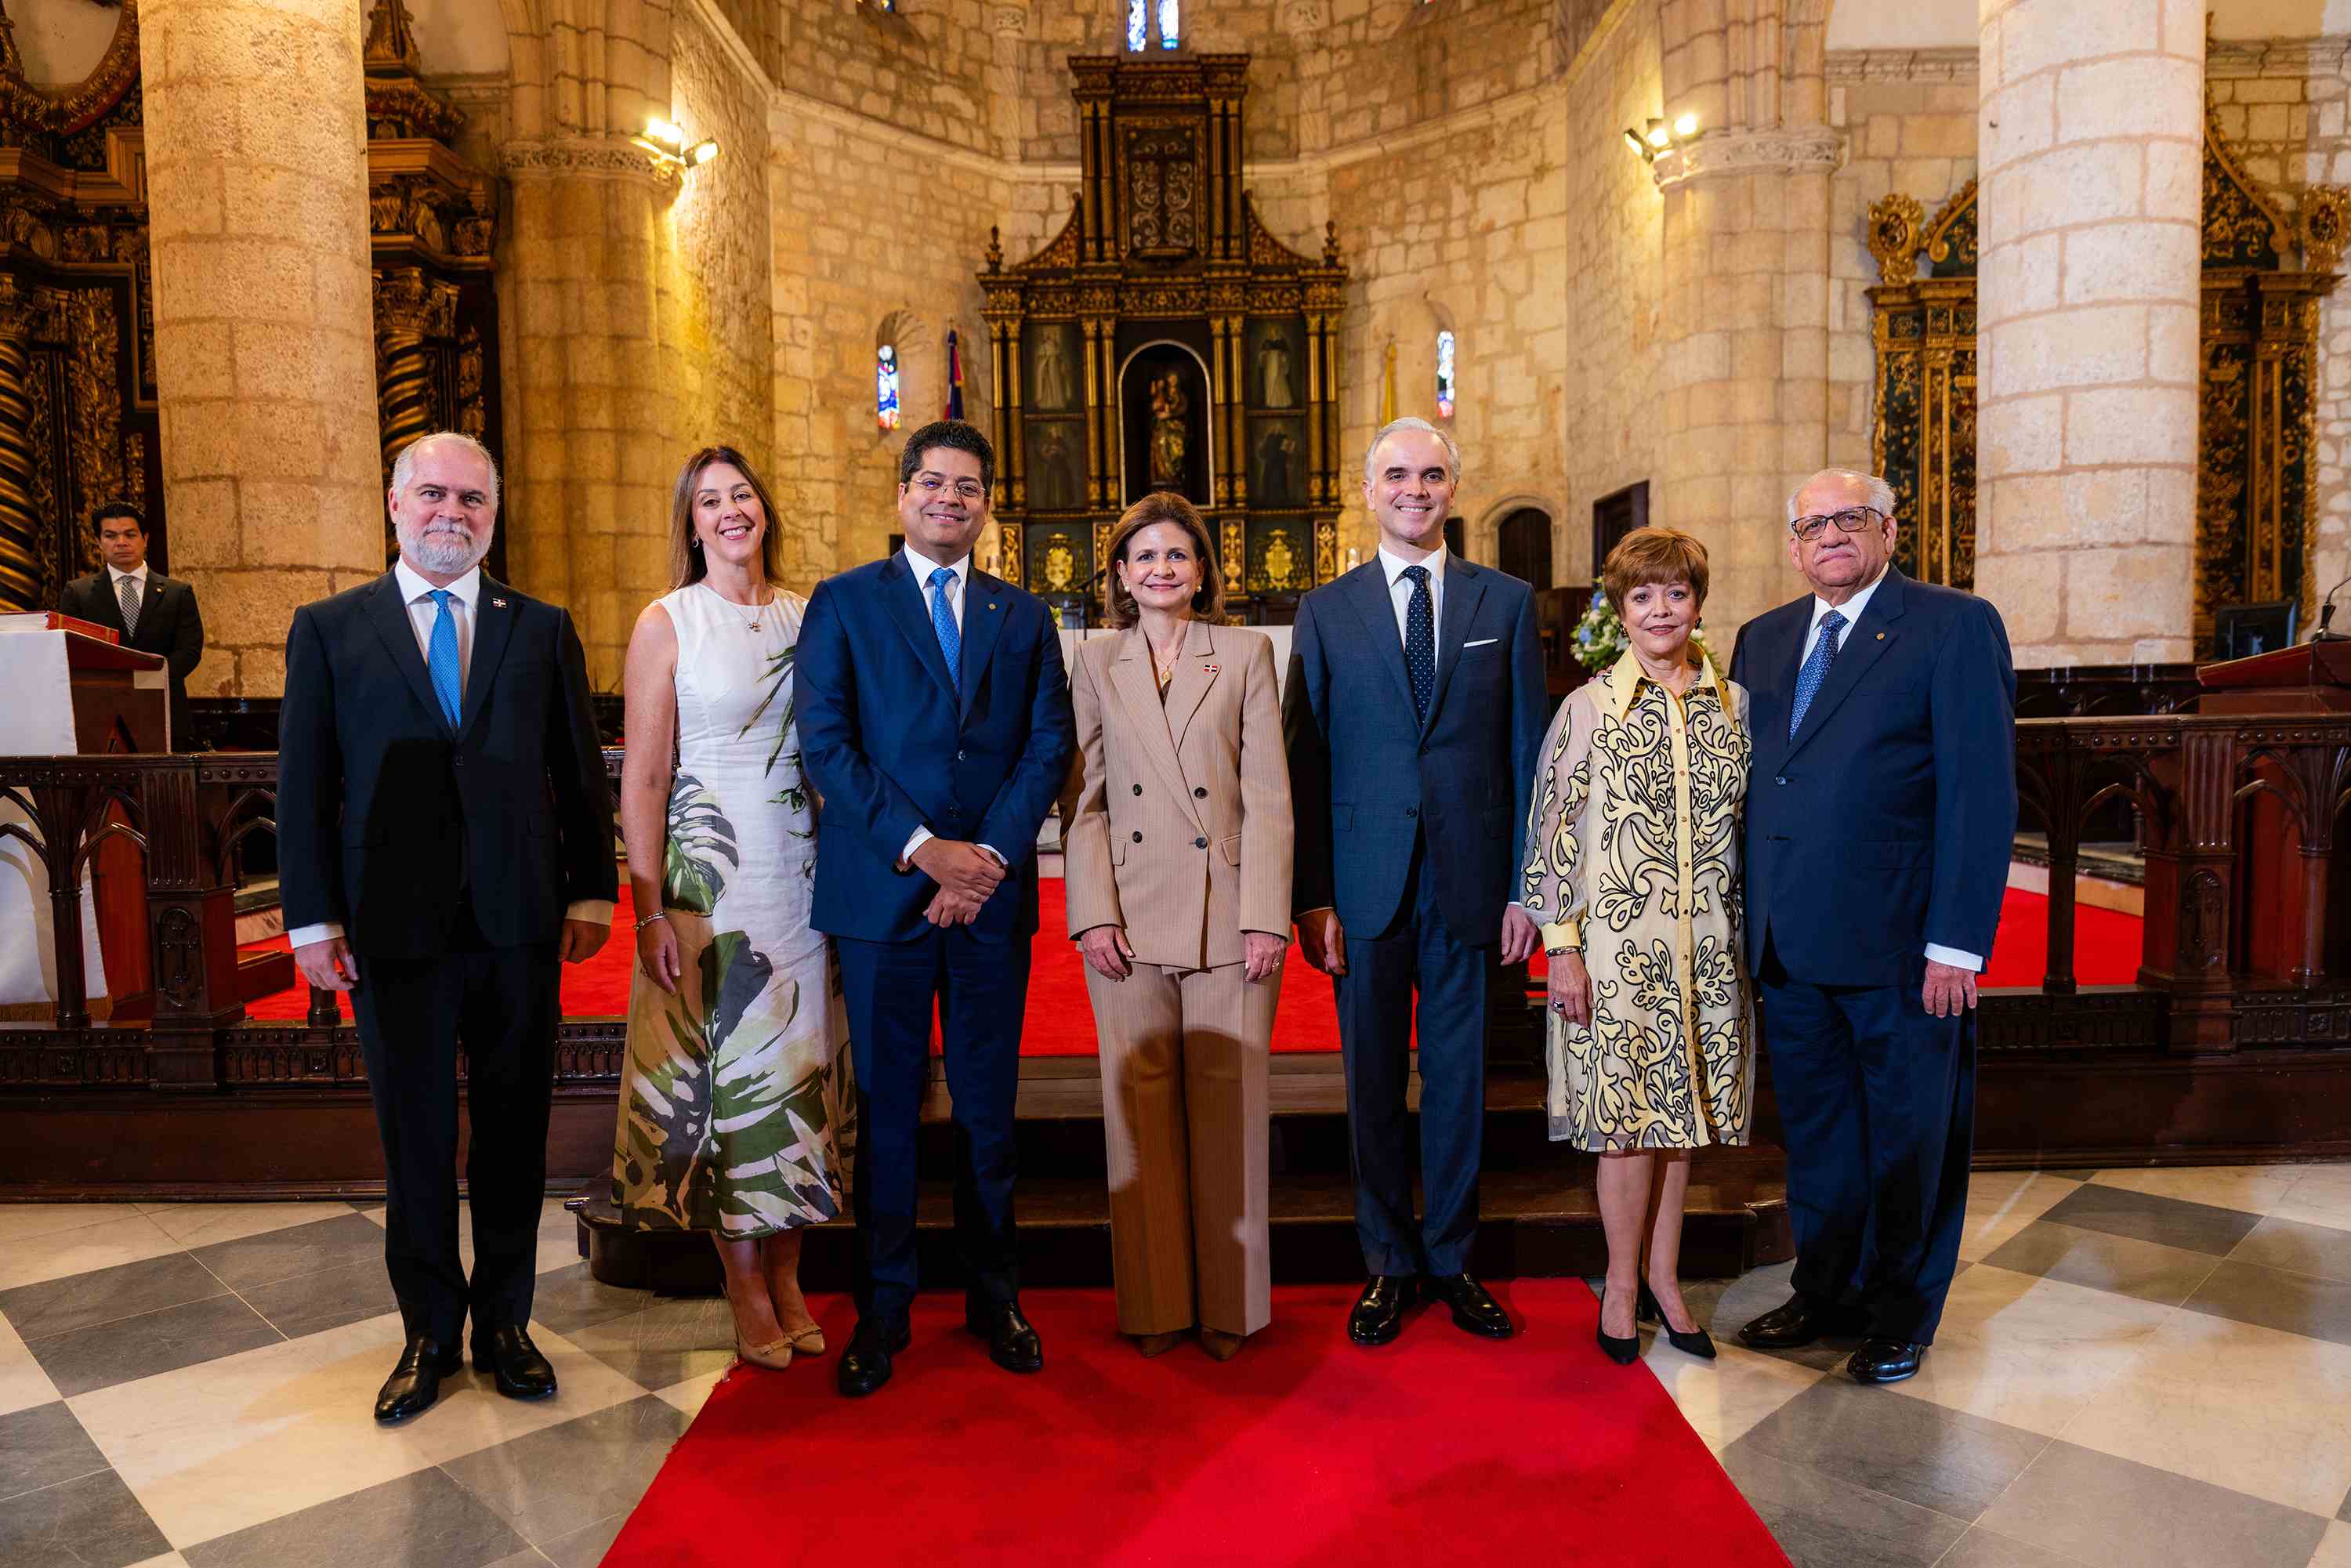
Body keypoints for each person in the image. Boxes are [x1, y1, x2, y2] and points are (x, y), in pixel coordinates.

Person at [277, 431, 615, 1422]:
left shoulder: (540, 627)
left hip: (517, 921)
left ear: (493, 514)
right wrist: (308, 920)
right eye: (433, 495)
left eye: (472, 500)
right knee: (415, 1138)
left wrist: (591, 890)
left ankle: (507, 1323)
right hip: (393, 924)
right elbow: (304, 789)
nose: (451, 515)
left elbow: (578, 773)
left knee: (515, 1134)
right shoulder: (332, 629)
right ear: (394, 503)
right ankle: (428, 1330)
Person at [795, 418, 1074, 1397]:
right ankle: (884, 1305)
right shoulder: (842, 605)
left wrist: (987, 857)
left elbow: (1048, 744)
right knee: (890, 1110)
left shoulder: (1023, 615)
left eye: (968, 487)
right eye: (933, 484)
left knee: (989, 1111)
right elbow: (828, 747)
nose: (949, 499)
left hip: (989, 902)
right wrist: (928, 853)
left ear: (986, 503)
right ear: (902, 496)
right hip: (886, 896)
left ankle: (995, 1294)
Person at [1731, 467, 2016, 1387]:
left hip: (1902, 945)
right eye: (1810, 524)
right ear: (1793, 543)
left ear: (1889, 530)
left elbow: (1979, 794)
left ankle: (1901, 1314)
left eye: (1849, 519)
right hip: (1790, 940)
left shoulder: (1951, 624)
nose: (1829, 537)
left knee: (1907, 1139)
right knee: (1819, 1136)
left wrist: (1957, 942)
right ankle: (1825, 1289)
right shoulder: (1764, 639)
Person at [1284, 415, 1548, 1346]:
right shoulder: (1325, 609)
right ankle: (1388, 1260)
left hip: (1474, 884)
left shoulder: (1506, 603)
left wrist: (1529, 887)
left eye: (1432, 474)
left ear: (1452, 488)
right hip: (1364, 887)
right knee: (1370, 1082)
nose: (1415, 489)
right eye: (1397, 474)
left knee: (1460, 1080)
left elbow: (1529, 759)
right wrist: (1312, 897)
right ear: (1369, 490)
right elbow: (1304, 762)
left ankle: (1454, 1255)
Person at [610, 446, 852, 1373]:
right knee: (724, 1090)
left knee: (796, 1077)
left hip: (801, 877)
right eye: (709, 501)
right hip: (709, 887)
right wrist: (646, 905)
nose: (729, 512)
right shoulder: (669, 621)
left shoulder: (809, 614)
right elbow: (644, 772)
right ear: (691, 521)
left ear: (765, 509)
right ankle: (743, 1285)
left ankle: (788, 1274)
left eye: (741, 494)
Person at [1065, 494, 1291, 1361]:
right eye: (1145, 557)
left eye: (1179, 556)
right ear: (1121, 575)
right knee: (1140, 1114)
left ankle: (1232, 1310)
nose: (1162, 570)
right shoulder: (1094, 661)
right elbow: (1080, 803)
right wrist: (1090, 915)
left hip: (1230, 916)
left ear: (1203, 572)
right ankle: (1157, 1307)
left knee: (1229, 1110)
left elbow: (1270, 797)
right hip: (1123, 915)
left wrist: (1266, 915)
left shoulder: (1244, 654)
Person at [1520, 527, 1752, 1366]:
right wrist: (1564, 949)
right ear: (1619, 611)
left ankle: (1665, 1278)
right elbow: (1550, 838)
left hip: (1707, 954)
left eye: (1676, 593)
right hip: (1618, 956)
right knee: (1624, 1126)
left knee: (1680, 1123)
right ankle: (1619, 1287)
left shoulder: (1733, 703)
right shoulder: (1587, 708)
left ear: (1698, 602)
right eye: (1643, 596)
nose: (1661, 610)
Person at [58, 502, 204, 750]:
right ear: (99, 542)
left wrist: (150, 680)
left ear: (145, 539)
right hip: (99, 713)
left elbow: (190, 650)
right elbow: (69, 650)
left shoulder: (177, 593)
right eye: (111, 536)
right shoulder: (78, 594)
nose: (121, 542)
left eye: (130, 534)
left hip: (165, 708)